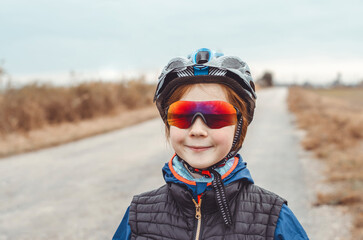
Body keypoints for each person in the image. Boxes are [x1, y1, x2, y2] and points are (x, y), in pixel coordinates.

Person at [112, 48, 309, 239]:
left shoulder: (273, 219)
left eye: (217, 115)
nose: (197, 130)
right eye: (182, 115)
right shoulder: (138, 217)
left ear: (239, 126)